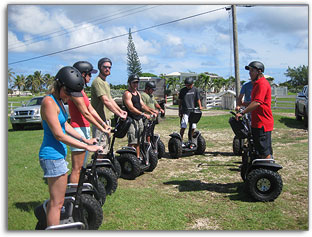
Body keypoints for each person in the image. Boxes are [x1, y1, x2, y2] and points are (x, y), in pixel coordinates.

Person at [39, 66, 102, 227]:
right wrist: (86, 146)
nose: (69, 97)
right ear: (60, 85)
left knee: (58, 201)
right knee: (57, 203)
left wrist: (84, 140)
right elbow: (59, 134)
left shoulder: (58, 101)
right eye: (68, 93)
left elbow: (65, 126)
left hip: (58, 155)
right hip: (51, 156)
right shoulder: (48, 102)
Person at [68, 61, 111, 184]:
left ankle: (79, 192)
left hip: (84, 128)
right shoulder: (75, 92)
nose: (90, 77)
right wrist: (101, 128)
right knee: (77, 168)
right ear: (82, 74)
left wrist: (103, 124)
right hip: (77, 129)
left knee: (82, 166)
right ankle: (74, 196)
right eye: (89, 74)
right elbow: (86, 113)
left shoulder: (81, 91)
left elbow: (91, 109)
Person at [236, 61, 273, 160]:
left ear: (259, 72)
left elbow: (257, 103)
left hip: (262, 122)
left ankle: (267, 172)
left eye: (252, 70)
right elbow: (254, 101)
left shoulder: (262, 84)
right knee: (259, 150)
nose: (250, 73)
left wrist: (243, 112)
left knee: (264, 152)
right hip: (257, 122)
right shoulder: (256, 84)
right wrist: (242, 104)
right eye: (249, 70)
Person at [91, 57, 127, 154]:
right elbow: (105, 101)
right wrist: (119, 114)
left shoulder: (105, 83)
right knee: (100, 148)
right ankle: (99, 168)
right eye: (105, 67)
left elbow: (111, 99)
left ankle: (104, 168)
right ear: (100, 67)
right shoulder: (98, 82)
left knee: (106, 146)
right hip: (99, 121)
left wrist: (120, 111)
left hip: (106, 120)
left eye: (109, 67)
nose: (108, 69)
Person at [123, 75, 157, 161]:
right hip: (131, 120)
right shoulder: (127, 93)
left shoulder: (137, 93)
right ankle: (128, 158)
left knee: (139, 140)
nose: (136, 84)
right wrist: (143, 114)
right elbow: (131, 108)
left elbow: (142, 105)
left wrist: (151, 112)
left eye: (137, 82)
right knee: (132, 141)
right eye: (134, 82)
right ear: (130, 82)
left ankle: (137, 158)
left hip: (139, 119)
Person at [178, 77, 203, 143]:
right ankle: (181, 140)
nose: (187, 86)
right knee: (183, 126)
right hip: (185, 111)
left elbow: (198, 99)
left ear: (192, 84)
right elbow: (180, 101)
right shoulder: (182, 90)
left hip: (193, 111)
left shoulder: (195, 90)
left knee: (193, 127)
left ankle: (191, 139)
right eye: (186, 85)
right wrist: (179, 110)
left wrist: (200, 106)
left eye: (189, 85)